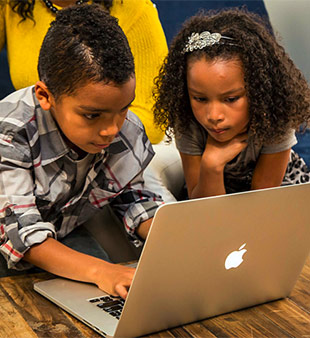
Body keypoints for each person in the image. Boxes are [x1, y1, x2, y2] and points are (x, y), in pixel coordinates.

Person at [0, 4, 163, 299]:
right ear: (45, 96)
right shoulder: (11, 131)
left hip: (59, 233)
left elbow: (134, 198)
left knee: (106, 296)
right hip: (12, 239)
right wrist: (101, 271)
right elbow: (23, 233)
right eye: (91, 116)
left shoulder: (124, 127)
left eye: (123, 109)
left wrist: (175, 240)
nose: (111, 129)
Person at [153, 8, 310, 199]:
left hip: (276, 196)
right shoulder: (187, 121)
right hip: (208, 196)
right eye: (200, 99)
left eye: (231, 99)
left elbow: (261, 206)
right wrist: (212, 165)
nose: (214, 116)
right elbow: (202, 208)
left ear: (258, 90)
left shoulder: (276, 118)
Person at [0, 0, 167, 144]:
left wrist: (88, 122)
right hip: (34, 136)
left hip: (115, 144)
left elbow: (153, 123)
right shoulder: (10, 5)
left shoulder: (133, 8)